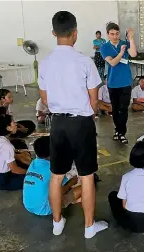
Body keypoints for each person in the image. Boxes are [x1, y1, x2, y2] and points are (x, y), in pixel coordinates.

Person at [39, 11, 107, 238]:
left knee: (56, 176)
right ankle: (89, 227)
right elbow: (94, 100)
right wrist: (89, 113)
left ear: (53, 33)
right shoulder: (85, 61)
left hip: (58, 123)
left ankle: (57, 222)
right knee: (87, 176)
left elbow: (45, 100)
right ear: (75, 33)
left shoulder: (46, 63)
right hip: (81, 124)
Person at [23, 136, 82, 216]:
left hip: (28, 205)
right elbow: (59, 191)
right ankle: (70, 201)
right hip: (44, 209)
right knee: (84, 187)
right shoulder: (54, 169)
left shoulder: (34, 163)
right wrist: (71, 182)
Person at [100, 22, 137, 144]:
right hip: (113, 83)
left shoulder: (124, 43)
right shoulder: (104, 47)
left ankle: (122, 133)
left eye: (117, 34)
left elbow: (133, 54)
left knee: (123, 108)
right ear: (107, 34)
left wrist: (131, 39)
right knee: (115, 109)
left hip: (126, 82)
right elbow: (112, 63)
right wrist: (121, 53)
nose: (115, 36)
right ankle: (117, 130)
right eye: (112, 34)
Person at [0, 114, 27, 190]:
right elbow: (15, 169)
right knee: (34, 178)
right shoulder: (6, 145)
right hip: (3, 181)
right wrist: (30, 172)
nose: (15, 124)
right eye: (13, 122)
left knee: (24, 167)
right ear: (8, 128)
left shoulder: (0, 140)